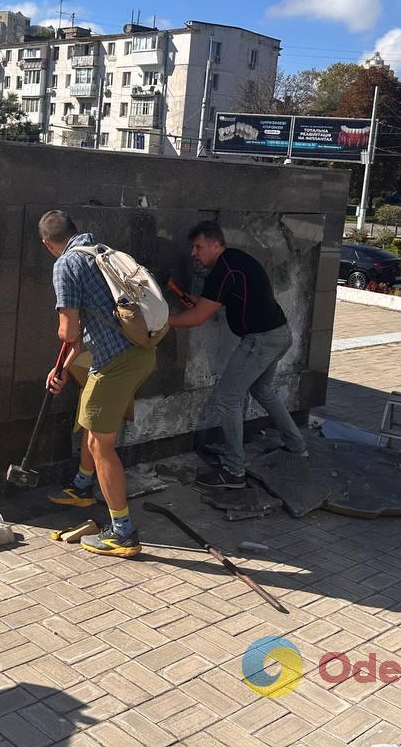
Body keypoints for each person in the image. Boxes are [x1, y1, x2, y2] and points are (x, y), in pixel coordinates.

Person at [39, 210, 156, 558]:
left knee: (100, 443)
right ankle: (84, 486)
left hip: (115, 362)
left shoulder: (64, 265)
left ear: (48, 244)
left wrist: (62, 334)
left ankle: (122, 532)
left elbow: (69, 331)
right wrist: (60, 367)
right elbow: (83, 336)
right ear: (76, 230)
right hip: (140, 350)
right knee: (95, 430)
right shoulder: (100, 250)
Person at [168, 221, 307, 489]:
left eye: (198, 247)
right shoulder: (234, 261)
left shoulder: (224, 270)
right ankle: (297, 446)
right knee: (262, 389)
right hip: (279, 333)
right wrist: (196, 301)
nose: (193, 253)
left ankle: (234, 471)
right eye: (192, 248)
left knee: (227, 396)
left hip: (261, 339)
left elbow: (198, 318)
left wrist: (163, 322)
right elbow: (212, 302)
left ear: (216, 244)